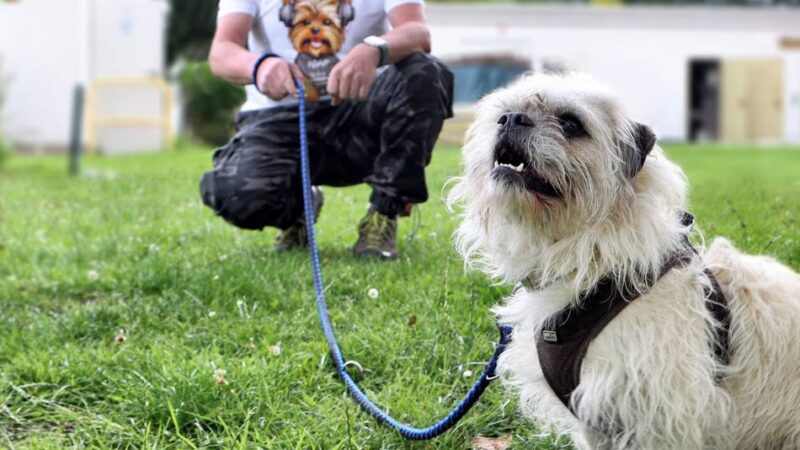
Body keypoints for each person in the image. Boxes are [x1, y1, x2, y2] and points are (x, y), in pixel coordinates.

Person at [200, 0, 454, 260]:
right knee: (235, 195)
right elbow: (221, 52)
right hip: (278, 117)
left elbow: (417, 32)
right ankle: (298, 205)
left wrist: (373, 49)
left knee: (426, 72)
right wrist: (260, 66)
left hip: (361, 113)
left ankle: (383, 213)